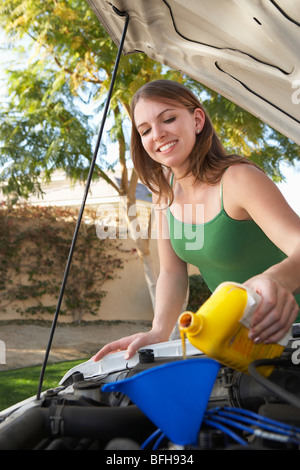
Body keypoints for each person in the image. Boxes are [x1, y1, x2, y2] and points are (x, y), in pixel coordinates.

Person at [93, 79, 300, 362]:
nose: (158, 134)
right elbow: (172, 273)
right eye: (145, 130)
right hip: (244, 341)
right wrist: (159, 330)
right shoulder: (162, 191)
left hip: (294, 334)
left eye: (168, 119)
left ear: (197, 119)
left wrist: (276, 279)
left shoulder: (239, 179)